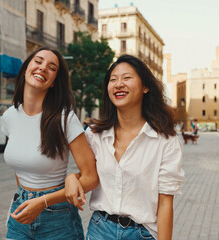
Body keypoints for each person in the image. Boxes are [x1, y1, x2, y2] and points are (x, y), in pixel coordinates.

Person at [65, 55, 184, 240]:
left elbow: (165, 205)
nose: (118, 84)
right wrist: (72, 177)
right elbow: (89, 176)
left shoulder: (165, 141)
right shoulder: (95, 135)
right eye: (113, 79)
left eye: (126, 78)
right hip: (100, 230)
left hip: (142, 234)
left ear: (145, 87)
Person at [1, 47, 99, 240]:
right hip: (21, 211)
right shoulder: (9, 116)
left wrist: (43, 202)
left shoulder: (64, 119)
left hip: (57, 218)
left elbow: (91, 178)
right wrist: (27, 198)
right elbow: (20, 167)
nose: (43, 68)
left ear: (54, 82)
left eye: (51, 67)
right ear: (27, 67)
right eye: (38, 61)